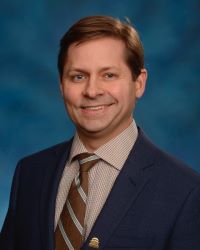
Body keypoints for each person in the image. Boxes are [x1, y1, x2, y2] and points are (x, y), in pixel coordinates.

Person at [0, 15, 200, 250]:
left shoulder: (186, 192)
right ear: (62, 86)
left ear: (139, 83)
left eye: (109, 75)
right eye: (78, 76)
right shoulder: (30, 173)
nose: (92, 91)